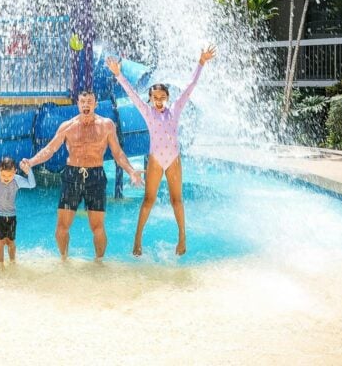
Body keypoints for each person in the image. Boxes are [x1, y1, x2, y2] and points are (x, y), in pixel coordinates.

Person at [106, 46, 216, 257]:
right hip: (156, 160)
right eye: (155, 97)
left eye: (162, 97)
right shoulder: (147, 112)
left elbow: (190, 86)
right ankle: (138, 239)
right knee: (148, 200)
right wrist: (118, 74)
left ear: (167, 97)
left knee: (177, 200)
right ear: (150, 98)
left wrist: (201, 62)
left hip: (173, 159)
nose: (158, 100)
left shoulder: (175, 110)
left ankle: (182, 237)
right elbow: (130, 94)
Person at [20, 91, 143, 261]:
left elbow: (117, 152)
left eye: (90, 101)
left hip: (96, 176)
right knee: (62, 227)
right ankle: (64, 259)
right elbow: (50, 149)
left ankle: (99, 262)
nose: (86, 104)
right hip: (72, 176)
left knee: (97, 227)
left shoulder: (106, 125)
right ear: (78, 104)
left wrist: (131, 171)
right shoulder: (67, 126)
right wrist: (31, 162)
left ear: (95, 104)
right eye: (83, 101)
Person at [0, 132, 35, 264]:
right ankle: (0, 267)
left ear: (15, 172)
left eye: (9, 176)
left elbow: (32, 184)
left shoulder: (17, 180)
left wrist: (29, 172)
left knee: (10, 242)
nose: (6, 179)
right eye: (3, 176)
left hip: (11, 216)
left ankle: (12, 263)